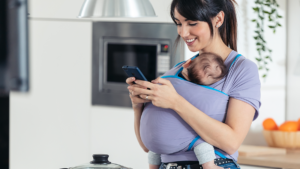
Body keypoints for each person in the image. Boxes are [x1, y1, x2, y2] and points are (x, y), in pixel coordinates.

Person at [126, 0, 261, 169]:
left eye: (192, 23)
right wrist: (138, 107)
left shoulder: (241, 69)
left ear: (218, 19)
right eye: (178, 23)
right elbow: (147, 146)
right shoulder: (177, 70)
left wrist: (176, 102)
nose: (183, 32)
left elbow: (232, 142)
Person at [146, 52, 228, 169]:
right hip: (176, 146)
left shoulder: (165, 80)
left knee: (154, 151)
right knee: (202, 143)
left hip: (154, 145)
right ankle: (209, 166)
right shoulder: (201, 95)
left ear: (187, 63)